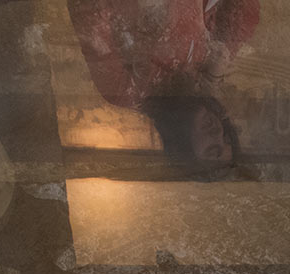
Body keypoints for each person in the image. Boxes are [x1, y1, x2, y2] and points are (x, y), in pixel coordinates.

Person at [67, 0, 260, 170]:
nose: (218, 133)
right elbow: (246, 12)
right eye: (227, 137)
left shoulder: (125, 91)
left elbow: (86, 12)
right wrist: (214, 72)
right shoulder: (196, 70)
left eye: (212, 149)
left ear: (184, 150)